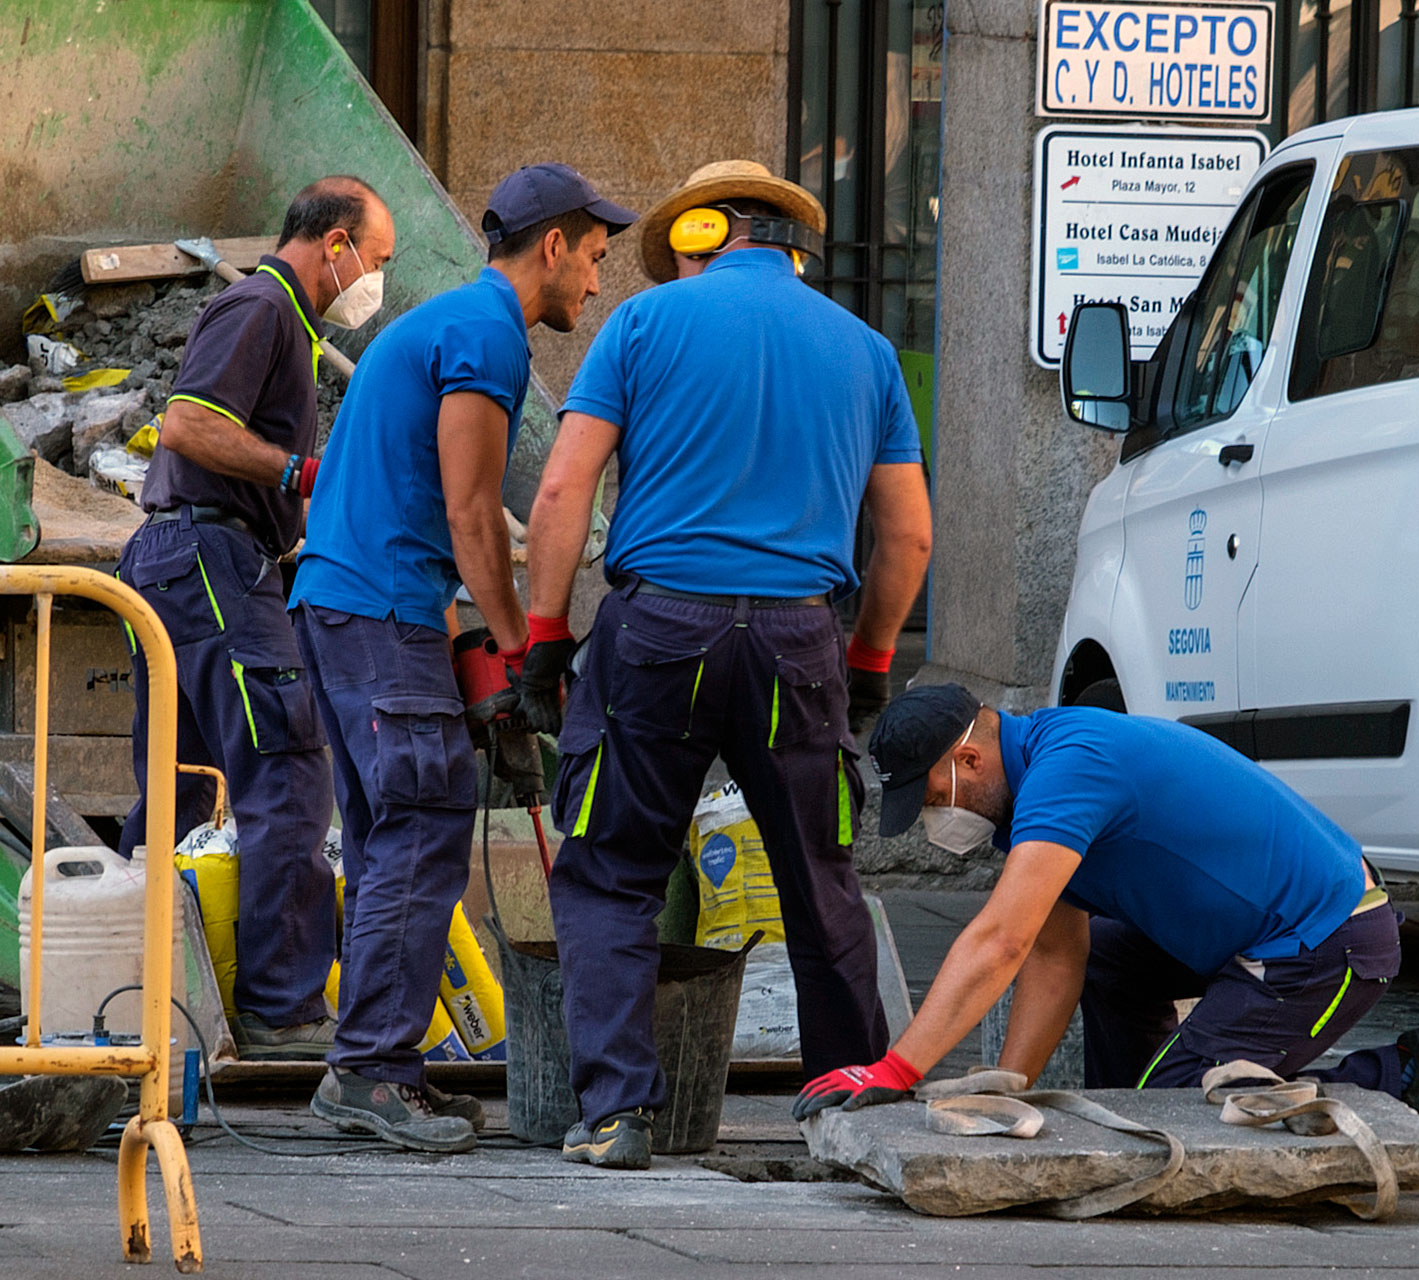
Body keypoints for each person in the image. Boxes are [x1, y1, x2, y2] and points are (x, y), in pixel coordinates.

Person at [518, 159, 934, 1170]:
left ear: (702, 238)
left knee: (612, 870)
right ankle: (851, 1109)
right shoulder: (867, 349)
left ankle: (618, 1112)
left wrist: (543, 635)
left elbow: (564, 489)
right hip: (800, 642)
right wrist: (870, 660)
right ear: (792, 248)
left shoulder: (641, 325)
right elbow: (909, 535)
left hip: (659, 632)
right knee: (819, 879)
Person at [294, 163, 636, 1154]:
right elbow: (472, 512)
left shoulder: (444, 323)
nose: (596, 283)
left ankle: (372, 1065)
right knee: (423, 821)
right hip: (376, 612)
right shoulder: (486, 335)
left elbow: (415, 510)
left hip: (350, 604)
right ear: (553, 245)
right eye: (594, 258)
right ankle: (371, 1069)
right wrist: (529, 647)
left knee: (390, 836)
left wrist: (477, 659)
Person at [792, 685, 1419, 1156]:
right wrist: (1008, 1090)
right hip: (1256, 933)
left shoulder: (1069, 771)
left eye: (931, 799)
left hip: (1329, 941)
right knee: (1104, 961)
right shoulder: (1038, 774)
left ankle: (1403, 1073)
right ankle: (1128, 1103)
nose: (935, 821)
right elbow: (1055, 955)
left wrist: (896, 1067)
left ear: (968, 759)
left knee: (1183, 1114)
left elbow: (1001, 940)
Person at [117, 176, 394, 1060]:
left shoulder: (287, 324)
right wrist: (298, 474)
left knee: (182, 786)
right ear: (335, 244)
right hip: (213, 558)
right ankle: (282, 1005)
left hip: (186, 559)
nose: (376, 281)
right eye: (377, 260)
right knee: (288, 772)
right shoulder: (262, 307)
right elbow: (187, 426)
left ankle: (132, 991)